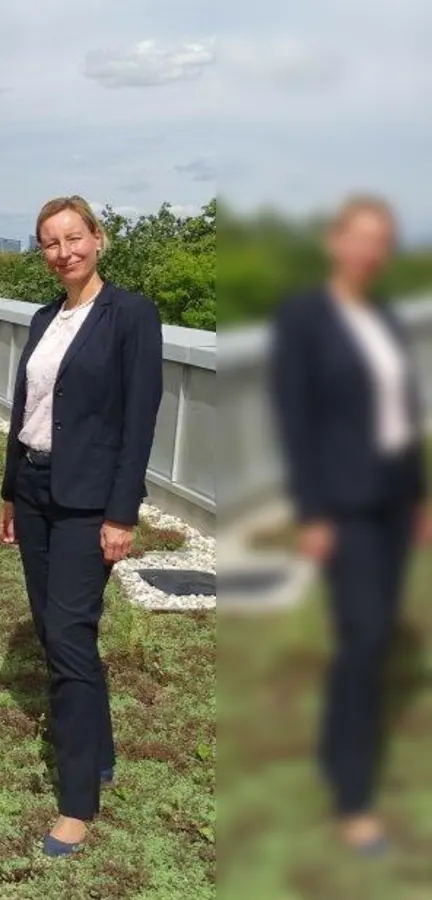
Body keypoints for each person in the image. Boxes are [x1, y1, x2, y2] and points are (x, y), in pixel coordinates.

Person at [0, 195, 163, 856]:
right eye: (49, 242)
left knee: (67, 637)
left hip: (88, 499)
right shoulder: (45, 318)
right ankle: (98, 752)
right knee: (56, 629)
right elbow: (26, 408)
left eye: (73, 237)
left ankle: (76, 803)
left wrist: (123, 513)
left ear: (97, 238)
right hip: (34, 488)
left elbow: (139, 419)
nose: (62, 251)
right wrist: (10, 490)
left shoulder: (130, 315)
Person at [270, 194, 428, 856]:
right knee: (362, 638)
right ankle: (353, 797)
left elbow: (405, 409)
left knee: (373, 635)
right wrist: (312, 512)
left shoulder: (383, 315)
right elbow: (295, 419)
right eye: (359, 237)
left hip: (394, 496)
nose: (369, 250)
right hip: (345, 502)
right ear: (335, 240)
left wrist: (419, 496)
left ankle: (341, 760)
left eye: (380, 240)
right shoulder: (305, 317)